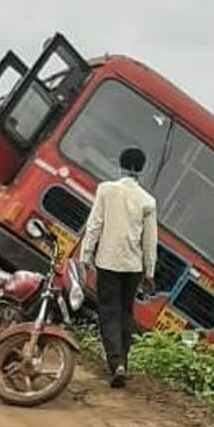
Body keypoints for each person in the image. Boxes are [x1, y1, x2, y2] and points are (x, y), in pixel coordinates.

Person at [80, 147, 157, 388]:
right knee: (126, 312)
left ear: (120, 164)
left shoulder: (106, 190)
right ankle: (123, 360)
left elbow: (94, 224)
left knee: (109, 312)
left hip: (108, 262)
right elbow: (149, 240)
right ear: (141, 169)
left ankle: (116, 364)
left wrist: (85, 255)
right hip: (133, 267)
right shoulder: (148, 201)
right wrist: (150, 272)